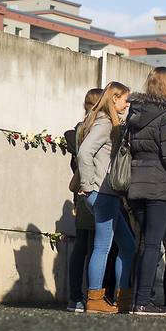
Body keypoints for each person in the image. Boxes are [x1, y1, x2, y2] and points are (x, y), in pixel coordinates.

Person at [125, 68, 166, 315]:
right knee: (153, 245)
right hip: (159, 184)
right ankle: (143, 301)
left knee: (143, 244)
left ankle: (136, 299)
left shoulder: (135, 112)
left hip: (136, 181)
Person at [74, 82, 136, 314]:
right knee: (103, 246)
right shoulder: (105, 122)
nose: (127, 104)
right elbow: (84, 152)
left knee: (127, 246)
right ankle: (95, 298)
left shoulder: (103, 120)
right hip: (102, 192)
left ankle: (122, 297)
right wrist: (88, 186)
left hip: (105, 192)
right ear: (114, 98)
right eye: (124, 100)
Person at [63, 87, 104, 313]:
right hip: (91, 190)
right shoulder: (90, 128)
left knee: (84, 245)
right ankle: (85, 296)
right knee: (90, 245)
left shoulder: (81, 129)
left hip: (81, 192)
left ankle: (77, 297)